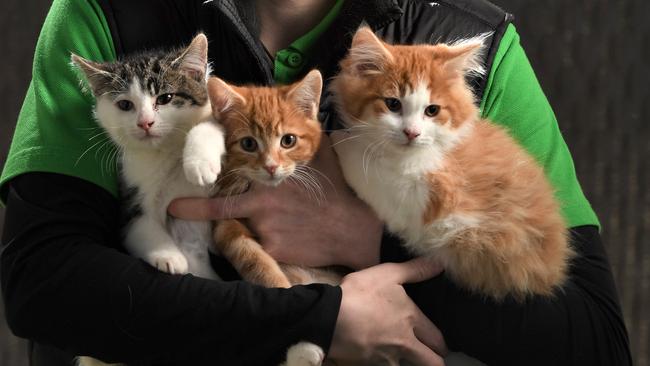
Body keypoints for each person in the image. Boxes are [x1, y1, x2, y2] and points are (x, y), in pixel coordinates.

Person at [0, 0, 632, 365]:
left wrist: (366, 241)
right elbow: (42, 284)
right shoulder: (105, 12)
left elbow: (593, 341)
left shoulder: (468, 41)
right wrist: (315, 315)